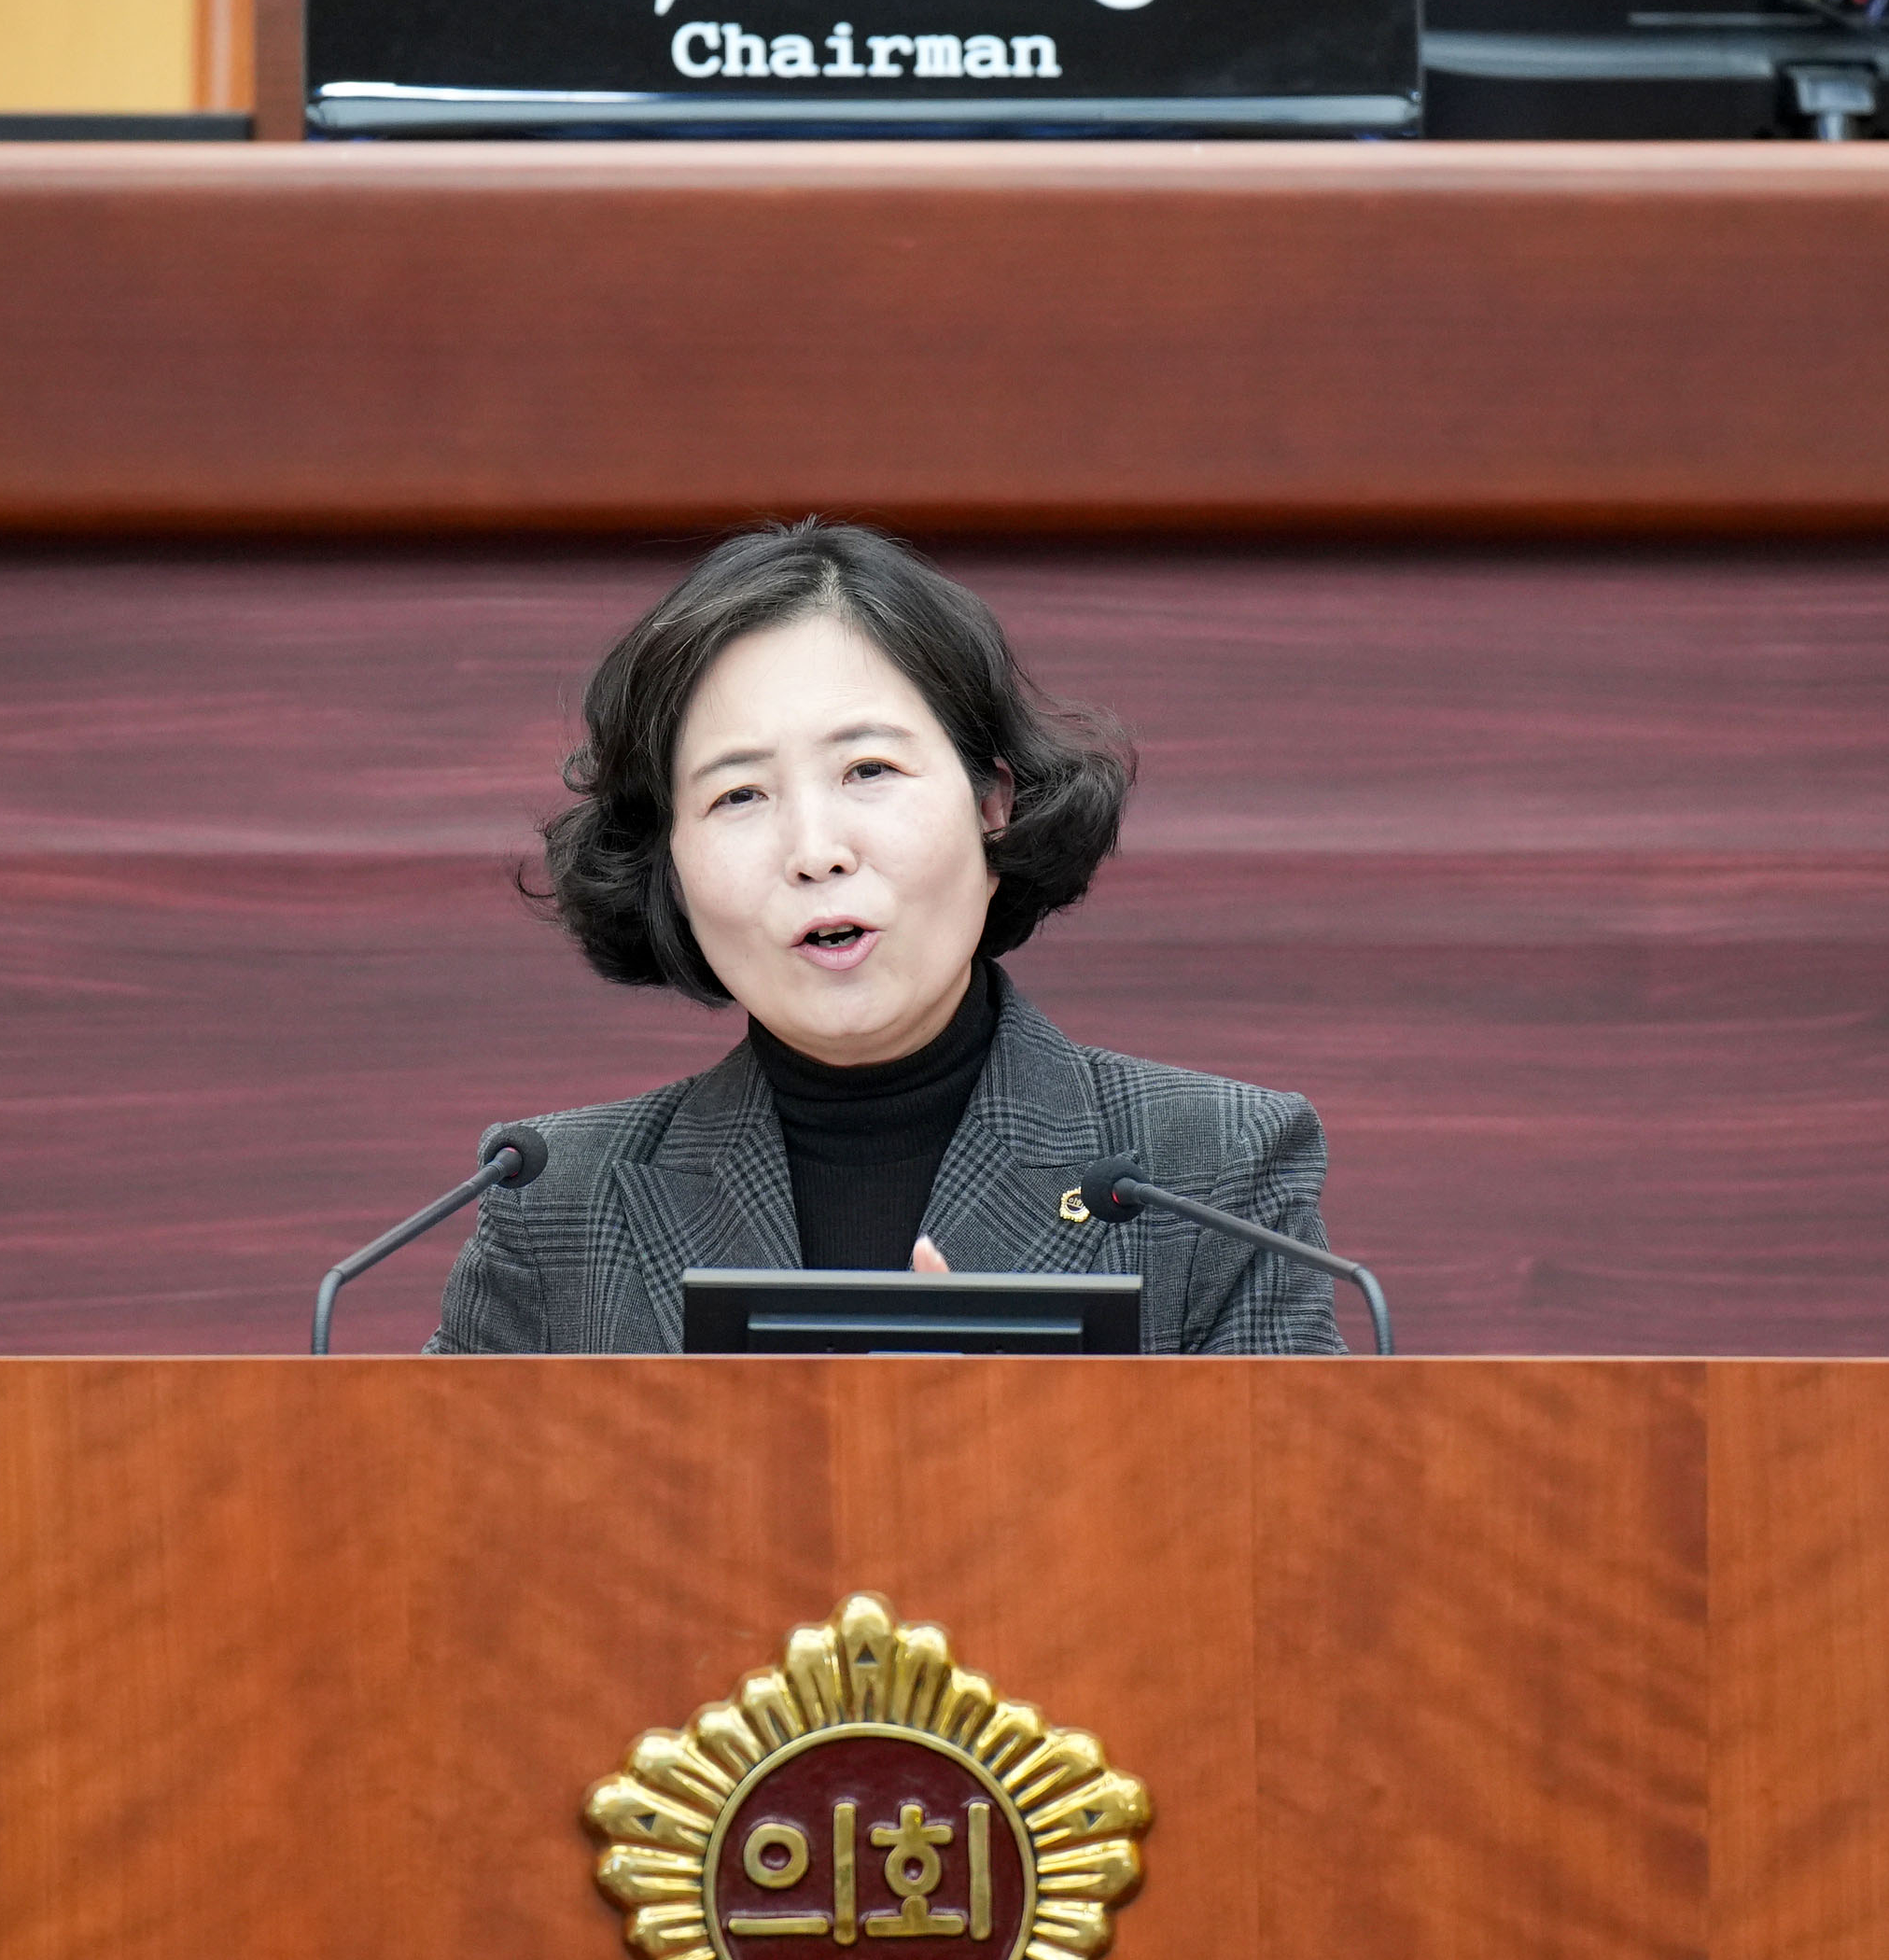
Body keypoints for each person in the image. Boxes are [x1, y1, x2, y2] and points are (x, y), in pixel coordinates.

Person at [431, 521, 1345, 1353]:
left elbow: (1293, 1488)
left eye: (868, 769)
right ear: (668, 860)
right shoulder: (552, 1199)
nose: (814, 851)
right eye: (739, 794)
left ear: (992, 803)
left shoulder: (1208, 1172)